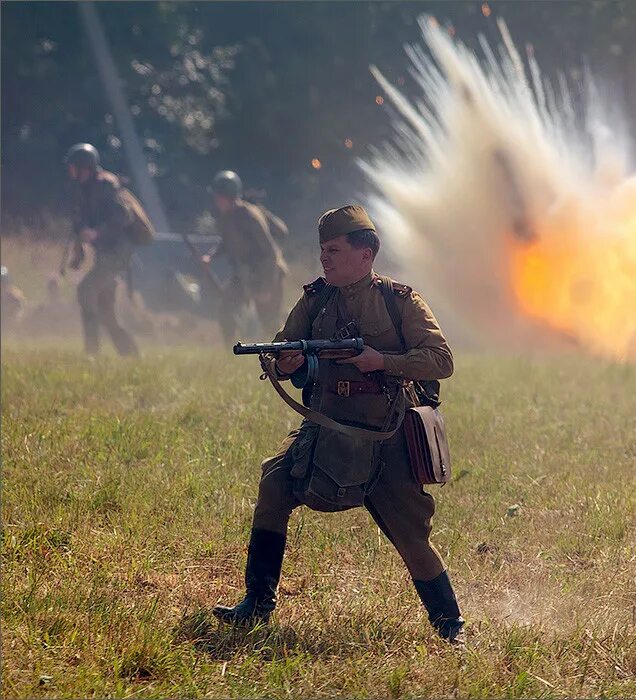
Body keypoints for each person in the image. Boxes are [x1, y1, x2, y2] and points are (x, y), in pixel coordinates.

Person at [212, 204, 464, 643]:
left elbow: (440, 360)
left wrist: (381, 361)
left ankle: (450, 626)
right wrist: (284, 360)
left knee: (411, 537)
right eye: (322, 251)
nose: (325, 259)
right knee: (274, 484)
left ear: (365, 256)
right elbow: (280, 347)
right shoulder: (315, 298)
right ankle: (257, 604)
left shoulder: (399, 301)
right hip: (326, 427)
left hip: (386, 436)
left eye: (334, 250)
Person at [62, 143, 151, 357]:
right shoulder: (85, 189)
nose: (70, 171)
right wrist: (80, 248)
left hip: (117, 253)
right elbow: (81, 223)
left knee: (85, 290)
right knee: (106, 311)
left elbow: (124, 216)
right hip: (106, 254)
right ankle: (131, 354)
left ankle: (91, 352)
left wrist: (97, 233)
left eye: (73, 166)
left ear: (84, 167)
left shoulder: (105, 185)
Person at [202, 170, 288, 342]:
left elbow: (270, 253)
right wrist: (210, 256)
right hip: (244, 274)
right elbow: (227, 242)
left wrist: (266, 286)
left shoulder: (250, 216)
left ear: (230, 196)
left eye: (220, 196)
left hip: (267, 273)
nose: (217, 200)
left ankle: (284, 361)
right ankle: (231, 352)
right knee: (226, 309)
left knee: (270, 323)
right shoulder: (226, 217)